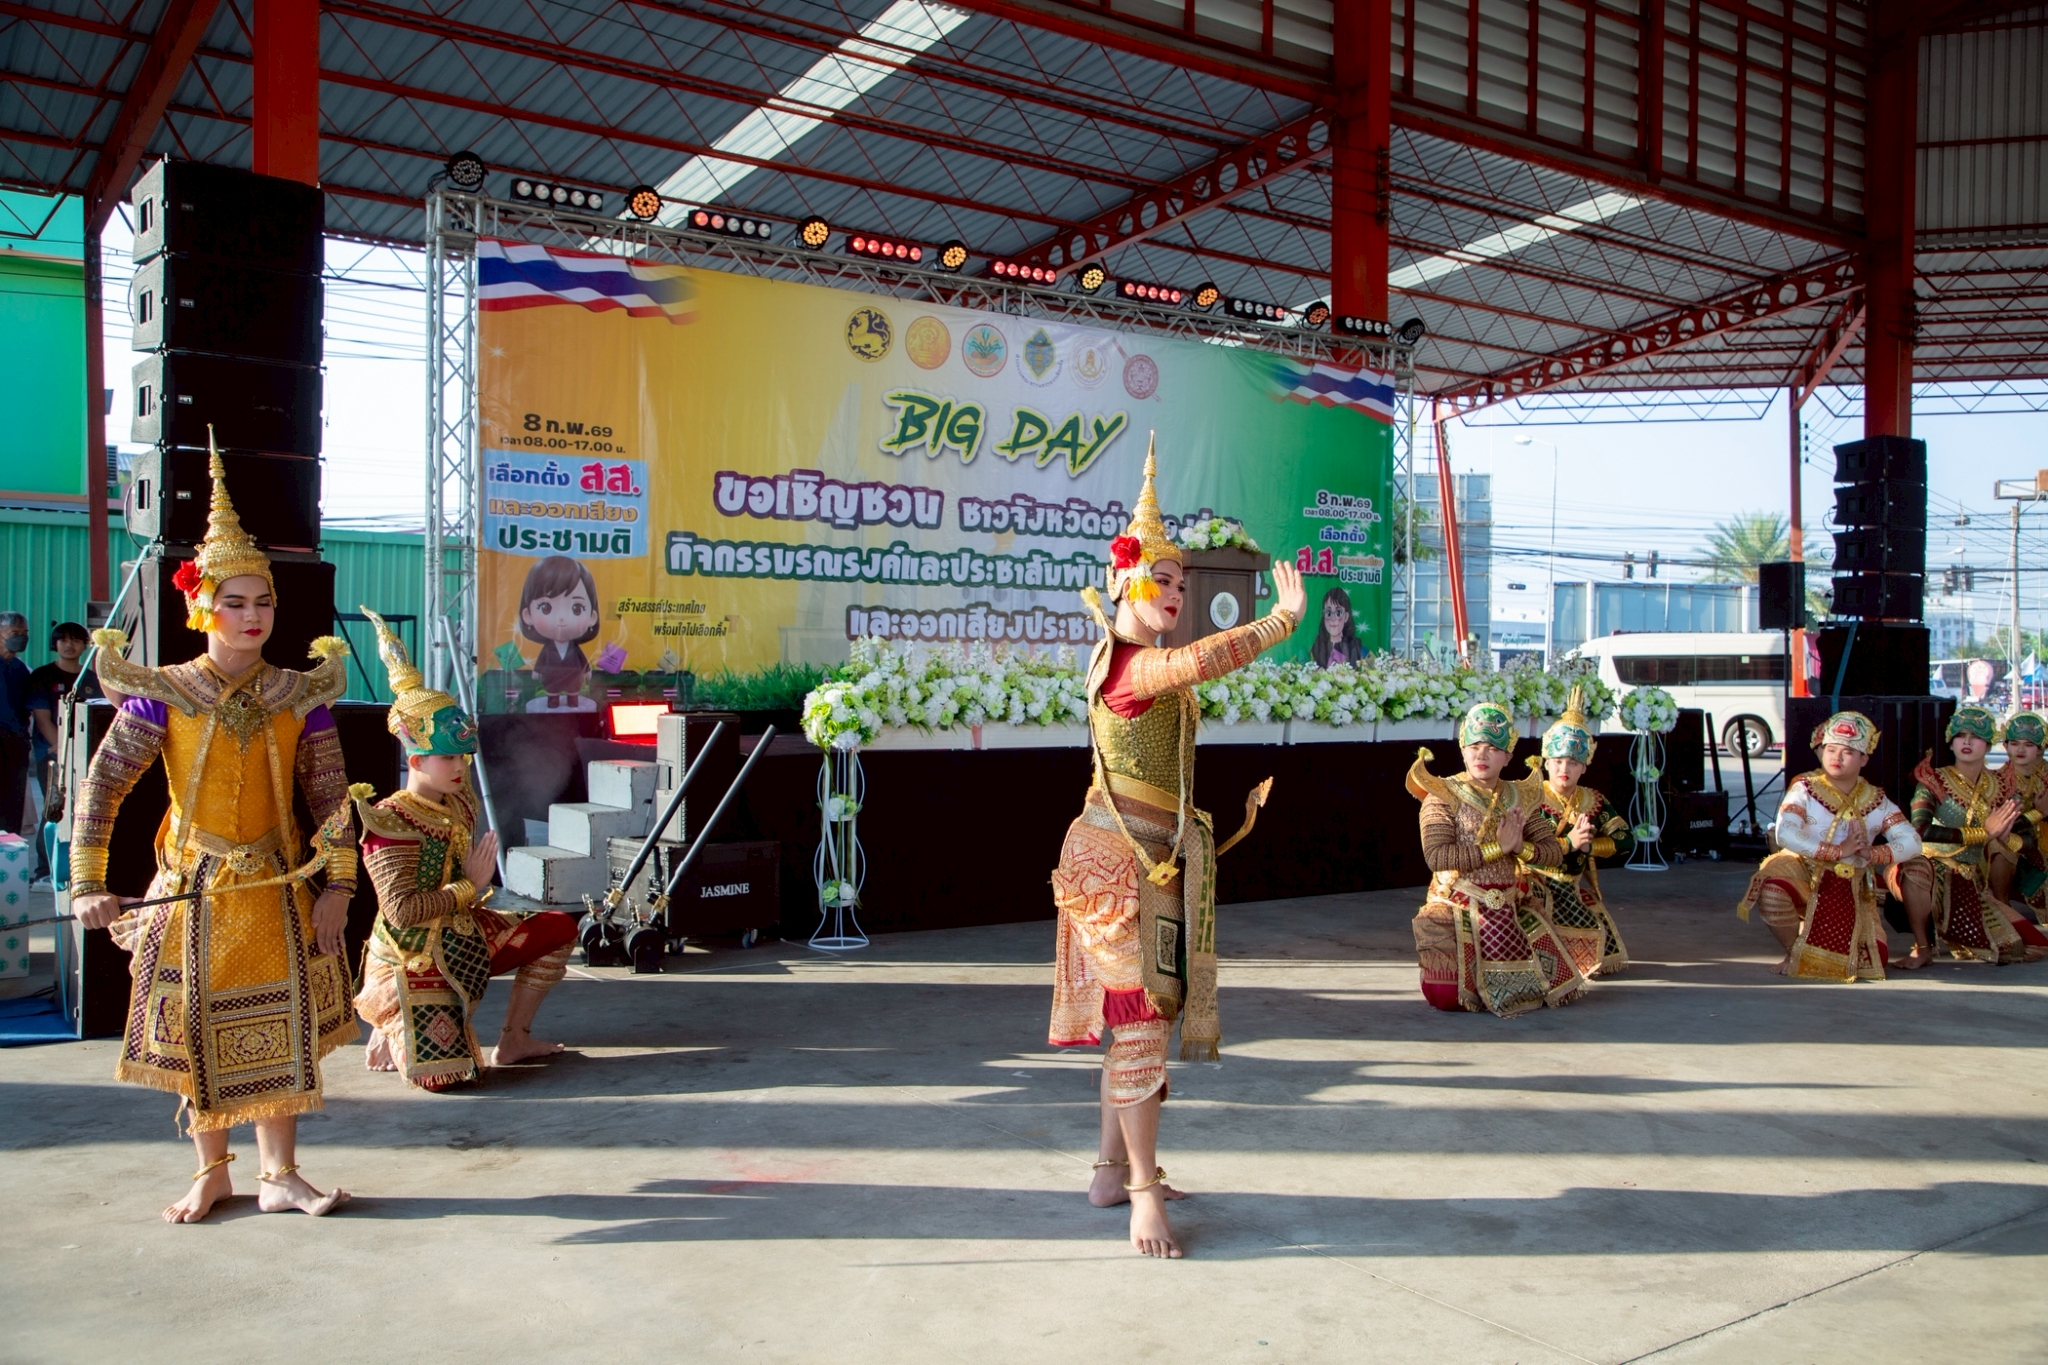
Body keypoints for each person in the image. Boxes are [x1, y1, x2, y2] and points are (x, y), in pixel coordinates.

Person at [70, 441, 360, 1223]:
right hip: (193, 888)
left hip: (275, 885)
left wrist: (339, 884)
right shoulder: (164, 694)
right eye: (234, 602)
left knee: (281, 1026)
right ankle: (213, 1171)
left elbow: (333, 799)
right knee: (197, 1031)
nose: (252, 615)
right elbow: (104, 785)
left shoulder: (300, 694)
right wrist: (88, 881)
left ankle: (281, 1174)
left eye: (262, 601)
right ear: (202, 606)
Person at [1049, 442, 1304, 1260]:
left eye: (1183, 585)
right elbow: (1203, 657)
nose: (1176, 593)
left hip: (1150, 858)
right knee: (1138, 1026)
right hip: (1114, 864)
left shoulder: (1145, 664)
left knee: (1139, 1020)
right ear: (1124, 578)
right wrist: (1279, 622)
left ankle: (1108, 1171)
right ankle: (1142, 1193)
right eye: (1163, 580)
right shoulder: (1131, 667)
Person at [353, 606, 577, 1089]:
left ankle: (514, 1039)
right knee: (448, 1078)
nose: (461, 767)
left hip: (465, 932)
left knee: (559, 927)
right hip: (412, 956)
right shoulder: (389, 821)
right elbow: (401, 912)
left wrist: (472, 895)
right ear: (416, 759)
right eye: (448, 757)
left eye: (463, 756)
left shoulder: (460, 801)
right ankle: (389, 1019)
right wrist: (467, 888)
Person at [1409, 701, 1587, 1015]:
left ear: (1508, 756)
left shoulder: (1520, 796)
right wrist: (1498, 848)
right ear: (1462, 749)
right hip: (1458, 903)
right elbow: (1436, 857)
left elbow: (1551, 851)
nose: (1482, 755)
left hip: (1509, 903)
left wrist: (1521, 849)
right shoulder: (1442, 795)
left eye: (1493, 748)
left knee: (1555, 986)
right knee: (1447, 997)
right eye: (1475, 746)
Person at [1736, 710, 1925, 979]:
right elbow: (1785, 832)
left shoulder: (1876, 800)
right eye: (1831, 749)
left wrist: (1873, 853)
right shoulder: (1805, 788)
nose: (1836, 757)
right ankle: (1793, 952)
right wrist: (1837, 851)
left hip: (1852, 888)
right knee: (1773, 890)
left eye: (1847, 752)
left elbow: (1912, 841)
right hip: (1806, 874)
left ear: (1863, 758)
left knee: (1872, 960)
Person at [1895, 707, 2048, 965]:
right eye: (1960, 736)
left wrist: (2006, 837)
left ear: (1988, 745)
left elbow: (2027, 839)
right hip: (1932, 868)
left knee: (2031, 946)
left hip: (1970, 879)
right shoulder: (1934, 780)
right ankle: (1922, 946)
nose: (1966, 742)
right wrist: (1984, 833)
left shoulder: (2001, 786)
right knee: (1916, 868)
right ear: (1950, 742)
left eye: (1975, 737)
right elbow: (1920, 829)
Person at [1521, 687, 1633, 979]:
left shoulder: (1593, 800)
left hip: (1571, 886)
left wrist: (1590, 847)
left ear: (1584, 767)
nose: (1564, 768)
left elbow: (1626, 839)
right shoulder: (1528, 797)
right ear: (1546, 762)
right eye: (1558, 761)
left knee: (1603, 950)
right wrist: (1567, 844)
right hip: (1534, 886)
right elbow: (1517, 845)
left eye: (1572, 763)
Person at [27, 622, 99, 879]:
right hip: (53, 757)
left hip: (85, 758)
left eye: (76, 640)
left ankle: (75, 871)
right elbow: (42, 717)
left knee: (83, 814)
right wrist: (61, 748)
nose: (70, 645)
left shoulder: (91, 678)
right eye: (64, 640)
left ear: (84, 645)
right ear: (55, 644)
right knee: (53, 811)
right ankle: (44, 871)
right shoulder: (42, 676)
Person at [517, 554, 599, 712]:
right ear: (528, 616)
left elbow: (582, 659)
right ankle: (553, 700)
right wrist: (537, 671)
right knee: (552, 695)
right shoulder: (548, 648)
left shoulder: (575, 647)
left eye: (576, 608)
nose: (561, 618)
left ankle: (572, 700)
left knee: (573, 695)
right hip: (552, 678)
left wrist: (587, 671)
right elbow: (542, 659)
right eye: (546, 608)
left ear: (592, 617)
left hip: (573, 678)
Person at [1993, 711, 2048, 923]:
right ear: (2005, 746)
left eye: (2028, 744)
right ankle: (2002, 906)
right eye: (2015, 744)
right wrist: (2038, 813)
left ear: (2041, 748)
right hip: (2019, 847)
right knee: (2000, 845)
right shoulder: (1995, 782)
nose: (2020, 750)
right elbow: (2001, 826)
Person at [0, 611, 30, 834]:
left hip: (16, 745)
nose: (21, 637)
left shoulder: (20, 669)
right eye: (14, 633)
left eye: (24, 633)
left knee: (12, 808)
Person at [1310, 586, 1363, 669]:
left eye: (1338, 613)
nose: (1333, 618)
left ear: (1346, 617)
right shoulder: (1317, 645)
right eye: (1328, 613)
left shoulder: (1356, 646)